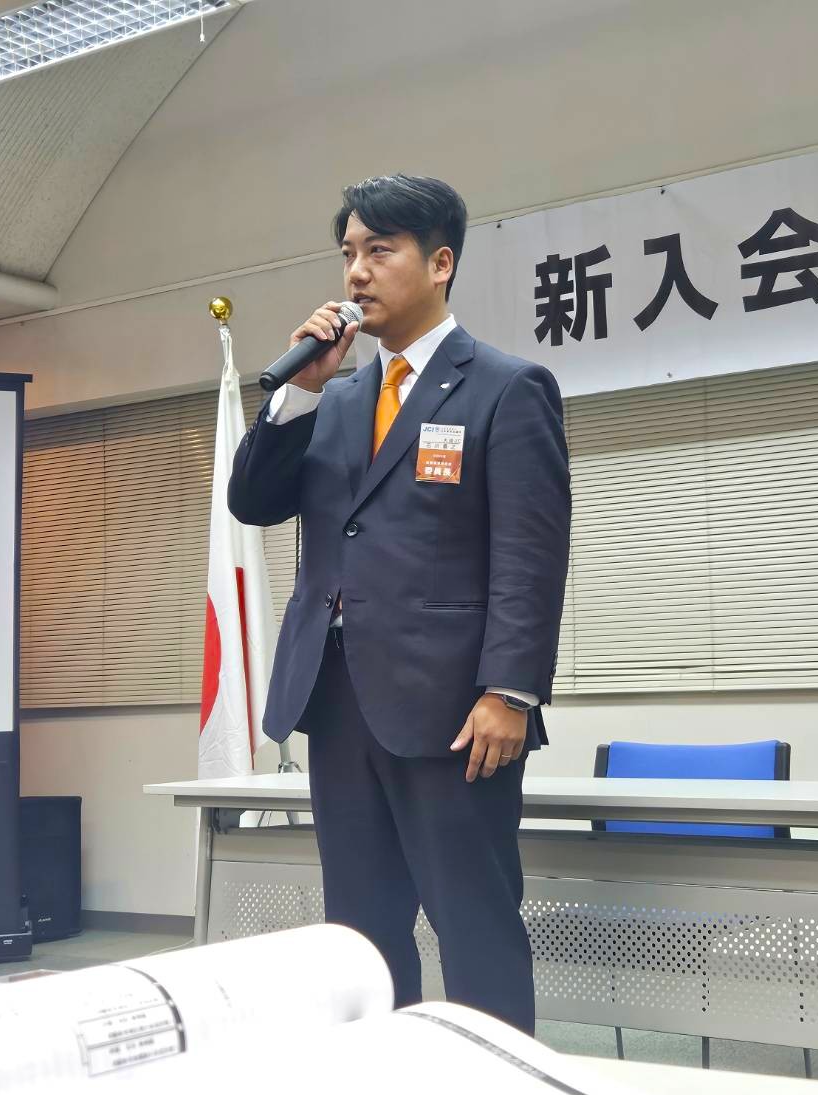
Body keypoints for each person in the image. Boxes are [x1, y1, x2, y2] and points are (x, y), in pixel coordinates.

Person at [228, 174, 570, 1034]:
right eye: (348, 253)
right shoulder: (335, 396)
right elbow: (253, 502)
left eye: (379, 251)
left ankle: (498, 1085)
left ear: (440, 262)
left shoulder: (505, 387)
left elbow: (529, 555)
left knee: (473, 922)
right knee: (360, 933)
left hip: (456, 711)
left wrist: (510, 692)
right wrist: (300, 391)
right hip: (338, 700)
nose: (355, 273)